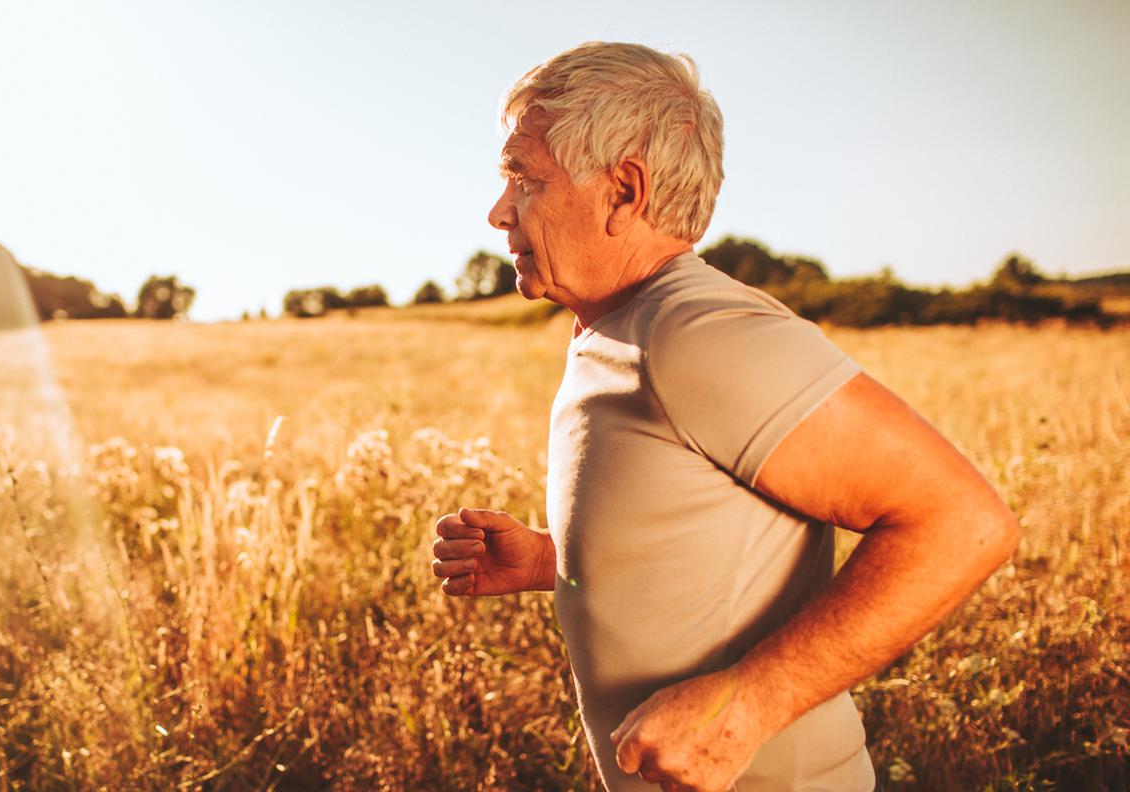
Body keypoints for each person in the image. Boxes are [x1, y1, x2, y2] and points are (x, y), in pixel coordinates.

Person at [430, 41, 1019, 792]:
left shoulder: (699, 332)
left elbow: (964, 523)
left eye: (525, 180)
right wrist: (554, 562)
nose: (498, 211)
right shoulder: (616, 328)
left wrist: (751, 702)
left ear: (623, 191)